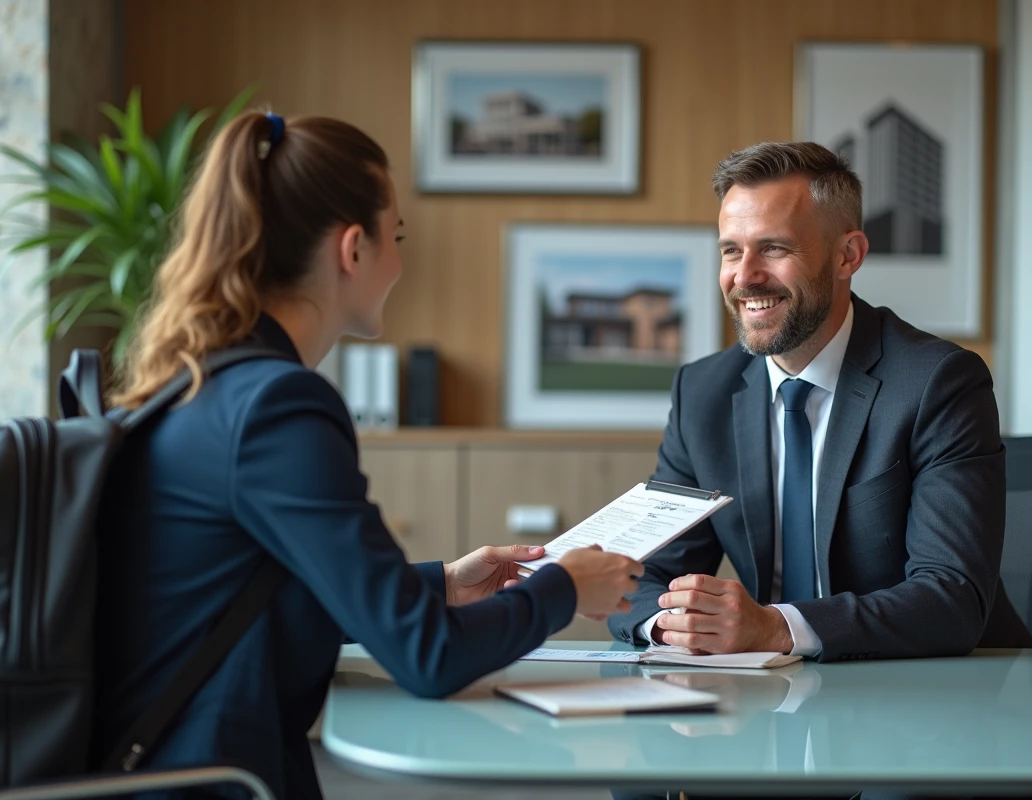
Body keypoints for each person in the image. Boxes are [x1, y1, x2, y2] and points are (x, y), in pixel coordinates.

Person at [92, 111, 643, 800]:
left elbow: (271, 584)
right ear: (353, 249)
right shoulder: (278, 406)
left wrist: (443, 582)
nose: (400, 263)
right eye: (397, 237)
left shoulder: (201, 382)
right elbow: (429, 657)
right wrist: (563, 588)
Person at [608, 141, 1032, 664]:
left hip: (935, 691)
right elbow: (642, 576)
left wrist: (776, 628)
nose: (744, 276)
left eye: (774, 248)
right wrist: (672, 624)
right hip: (769, 691)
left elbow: (952, 599)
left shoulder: (937, 382)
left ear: (847, 255)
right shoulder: (703, 392)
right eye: (731, 250)